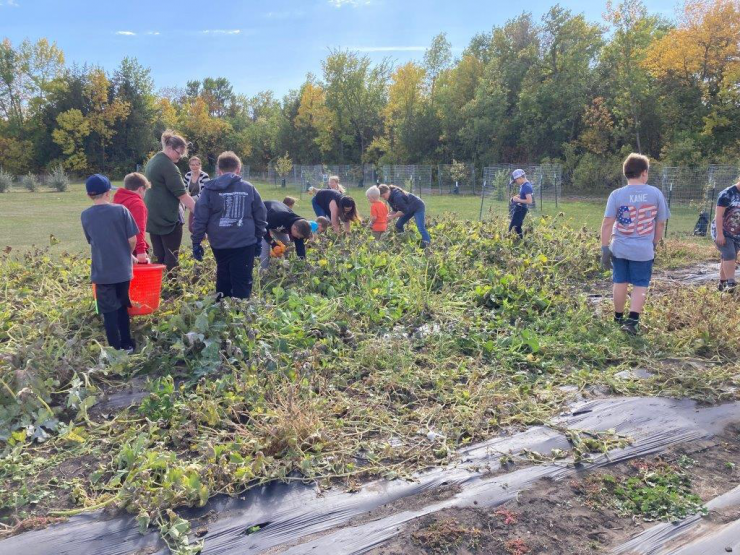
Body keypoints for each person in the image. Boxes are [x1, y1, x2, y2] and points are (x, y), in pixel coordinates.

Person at [600, 153, 670, 335]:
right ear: (644, 173)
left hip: (620, 247)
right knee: (640, 284)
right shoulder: (655, 193)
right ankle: (633, 321)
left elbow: (607, 222)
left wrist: (604, 247)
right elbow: (660, 223)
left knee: (620, 281)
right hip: (643, 249)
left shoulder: (616, 194)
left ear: (626, 173)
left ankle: (617, 317)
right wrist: (654, 243)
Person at [191, 151, 267, 300]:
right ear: (238, 169)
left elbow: (200, 217)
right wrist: (259, 237)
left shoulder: (209, 190)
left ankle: (222, 307)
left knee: (223, 274)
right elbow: (260, 214)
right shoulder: (248, 188)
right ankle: (240, 312)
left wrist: (196, 241)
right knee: (242, 278)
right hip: (244, 241)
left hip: (220, 242)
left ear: (219, 170)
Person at [81, 174, 139, 352]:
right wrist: (127, 254)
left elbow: (91, 240)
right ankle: (127, 343)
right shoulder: (121, 210)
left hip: (102, 272)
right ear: (108, 193)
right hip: (122, 270)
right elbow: (132, 239)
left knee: (108, 311)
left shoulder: (85, 215)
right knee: (122, 306)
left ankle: (114, 348)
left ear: (89, 195)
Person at [144, 130, 196, 271]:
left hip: (153, 217)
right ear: (169, 148)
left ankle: (159, 286)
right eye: (179, 153)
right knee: (171, 257)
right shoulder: (168, 166)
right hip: (167, 219)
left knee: (159, 255)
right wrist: (199, 211)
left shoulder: (153, 161)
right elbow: (182, 195)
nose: (179, 158)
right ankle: (173, 289)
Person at [260, 200, 313, 269]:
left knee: (286, 245)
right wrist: (272, 242)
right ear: (294, 228)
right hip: (263, 218)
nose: (298, 238)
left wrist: (303, 263)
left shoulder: (300, 226)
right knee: (265, 247)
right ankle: (263, 271)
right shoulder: (275, 216)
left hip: (278, 225)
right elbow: (263, 228)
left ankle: (284, 267)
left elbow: (300, 246)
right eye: (298, 236)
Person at [114, 173, 151, 264]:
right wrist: (141, 251)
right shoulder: (137, 204)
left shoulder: (117, 200)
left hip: (117, 246)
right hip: (132, 249)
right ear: (141, 189)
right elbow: (138, 229)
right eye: (145, 190)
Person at [712, 180, 740, 291]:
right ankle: (731, 283)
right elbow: (719, 216)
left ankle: (722, 283)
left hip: (736, 232)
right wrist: (719, 234)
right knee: (729, 254)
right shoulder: (727, 194)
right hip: (722, 230)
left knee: (727, 256)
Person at [508, 169, 534, 238]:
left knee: (512, 228)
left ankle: (513, 241)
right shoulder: (524, 185)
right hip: (520, 208)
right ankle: (519, 241)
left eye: (516, 180)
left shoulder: (527, 186)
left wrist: (518, 200)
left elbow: (529, 201)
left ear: (519, 178)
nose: (516, 182)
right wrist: (516, 197)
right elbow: (523, 195)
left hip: (521, 209)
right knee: (517, 228)